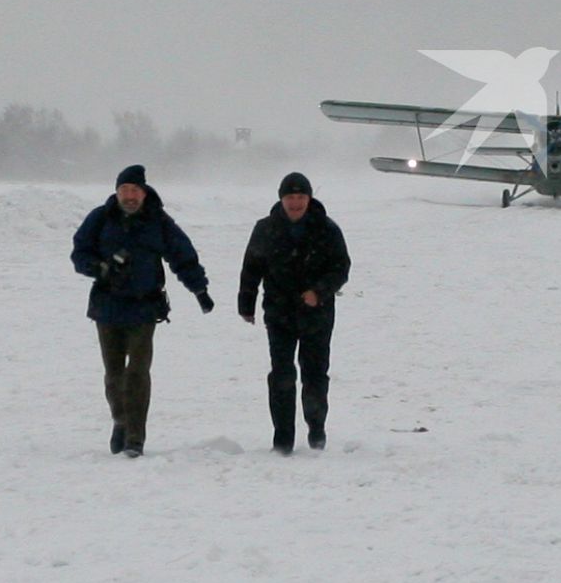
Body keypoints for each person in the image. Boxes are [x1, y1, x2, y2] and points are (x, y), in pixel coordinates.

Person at [71, 164, 213, 457]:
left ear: (144, 193)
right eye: (124, 190)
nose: (129, 196)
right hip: (107, 306)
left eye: (134, 190)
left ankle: (135, 436)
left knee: (137, 372)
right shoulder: (100, 218)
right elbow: (79, 253)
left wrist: (199, 290)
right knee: (113, 374)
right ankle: (120, 421)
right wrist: (100, 268)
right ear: (117, 192)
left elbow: (182, 256)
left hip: (143, 308)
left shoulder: (158, 222)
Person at [238, 172, 351, 454]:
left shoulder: (326, 228)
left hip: (318, 314)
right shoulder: (265, 229)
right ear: (281, 199)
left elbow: (341, 267)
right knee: (282, 374)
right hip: (279, 312)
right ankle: (283, 437)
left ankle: (316, 429)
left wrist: (319, 291)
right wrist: (246, 303)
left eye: (301, 197)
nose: (296, 202)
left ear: (309, 198)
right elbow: (252, 268)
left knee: (314, 373)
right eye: (290, 197)